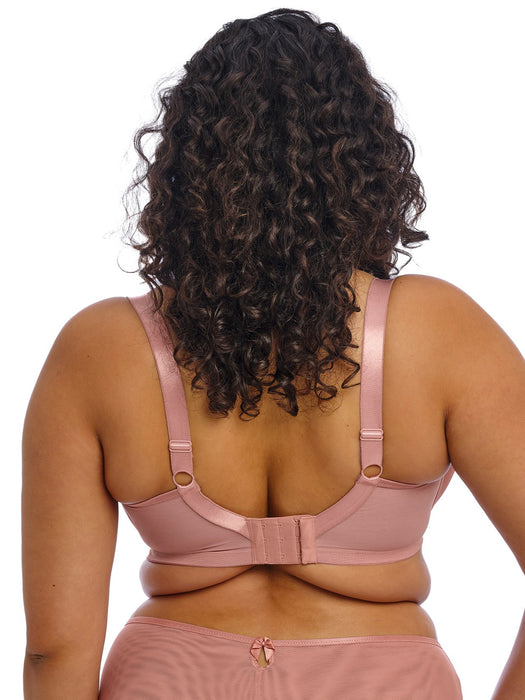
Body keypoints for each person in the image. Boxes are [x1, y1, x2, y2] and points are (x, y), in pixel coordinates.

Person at [22, 8, 525, 699]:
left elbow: (53, 652)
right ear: (366, 165)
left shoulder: (99, 349)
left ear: (183, 172)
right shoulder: (439, 330)